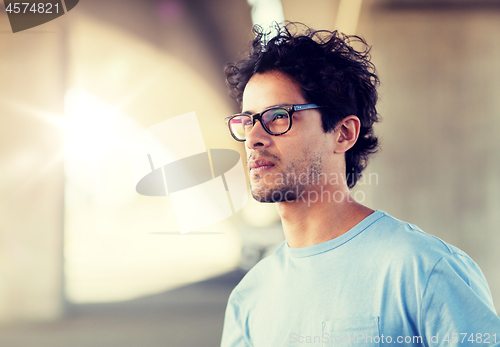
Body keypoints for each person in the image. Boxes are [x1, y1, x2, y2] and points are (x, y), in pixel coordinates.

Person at [220, 22, 500, 346]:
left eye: (278, 116)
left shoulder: (421, 269)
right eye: (247, 121)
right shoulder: (250, 297)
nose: (253, 138)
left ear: (343, 133)